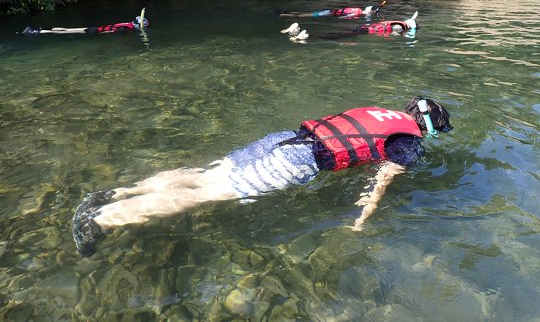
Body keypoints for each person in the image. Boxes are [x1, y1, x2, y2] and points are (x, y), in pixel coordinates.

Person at [72, 95, 452, 256]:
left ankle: (115, 193)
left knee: (207, 175)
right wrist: (361, 219)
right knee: (209, 194)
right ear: (431, 126)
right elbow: (381, 182)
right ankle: (103, 220)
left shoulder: (384, 114)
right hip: (299, 160)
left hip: (282, 139)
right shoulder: (409, 142)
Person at [282, 11, 418, 42]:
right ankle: (305, 37)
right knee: (334, 37)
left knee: (336, 33)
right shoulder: (401, 28)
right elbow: (390, 34)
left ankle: (296, 32)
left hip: (360, 27)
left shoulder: (397, 23)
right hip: (363, 33)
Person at [21, 15, 149, 35]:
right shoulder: (127, 28)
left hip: (96, 27)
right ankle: (39, 32)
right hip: (96, 31)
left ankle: (49, 29)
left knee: (71, 29)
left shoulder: (127, 23)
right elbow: (111, 32)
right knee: (70, 32)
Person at [279, 0, 386, 19]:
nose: (374, 11)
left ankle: (288, 12)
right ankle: (284, 15)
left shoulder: (357, 9)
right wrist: (342, 19)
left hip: (330, 11)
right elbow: (346, 17)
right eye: (372, 11)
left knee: (307, 13)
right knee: (308, 16)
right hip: (328, 14)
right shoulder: (357, 13)